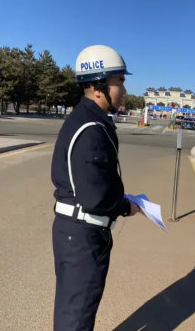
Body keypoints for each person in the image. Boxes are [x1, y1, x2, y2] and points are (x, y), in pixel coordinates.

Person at [50, 44, 140, 331]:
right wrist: (127, 205)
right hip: (83, 235)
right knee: (76, 317)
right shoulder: (91, 128)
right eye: (120, 82)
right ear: (99, 86)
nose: (123, 90)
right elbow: (93, 196)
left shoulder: (87, 119)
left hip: (75, 232)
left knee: (73, 310)